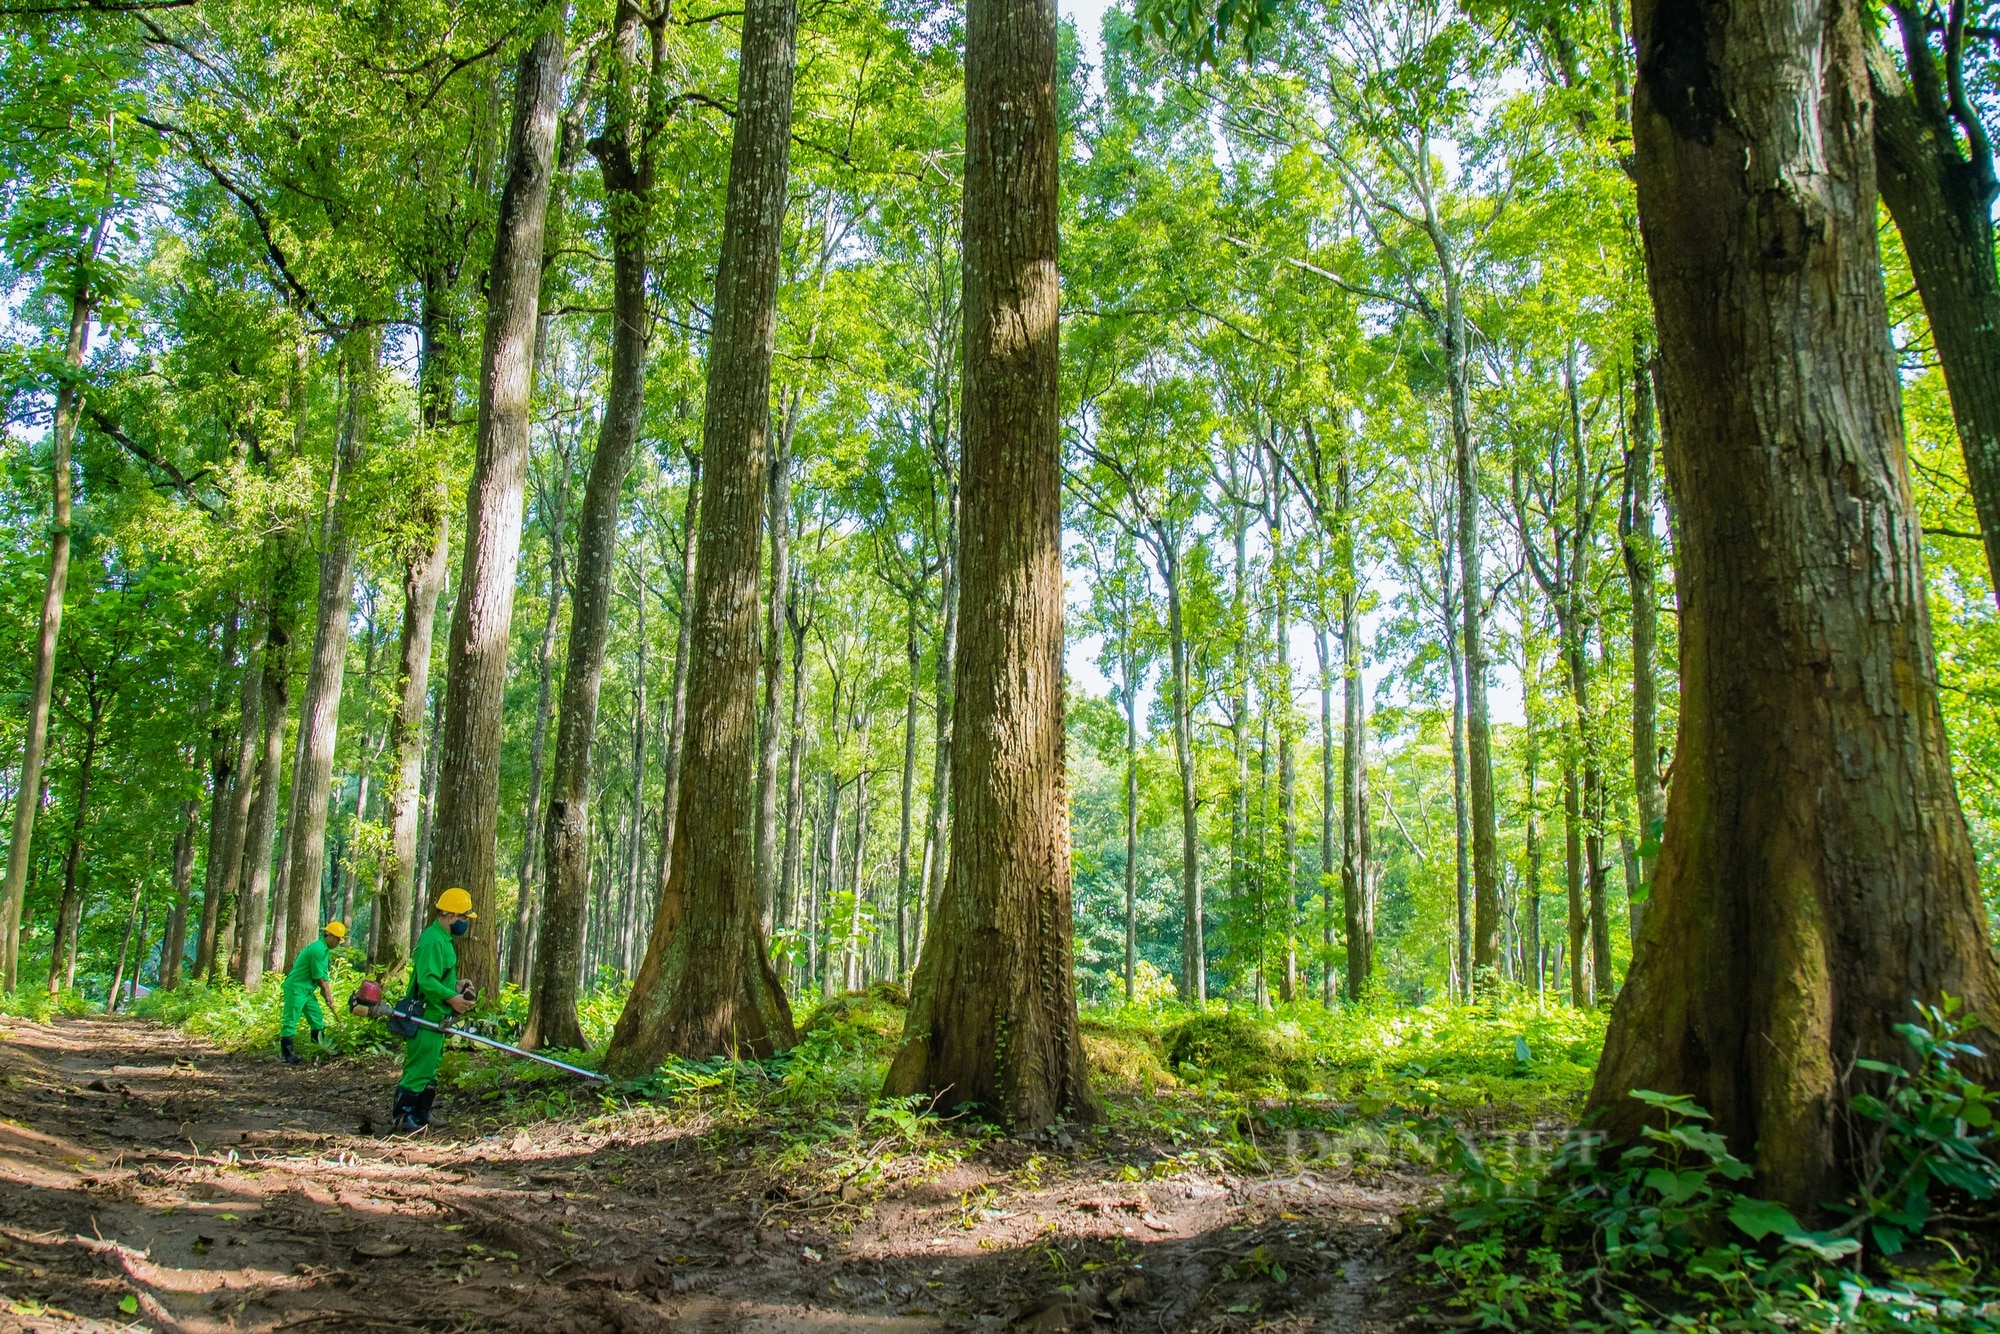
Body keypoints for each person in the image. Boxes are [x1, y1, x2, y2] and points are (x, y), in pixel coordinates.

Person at [392, 887, 477, 1132]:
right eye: (462, 918)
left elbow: (440, 976)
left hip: (438, 1014)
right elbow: (427, 980)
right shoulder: (432, 940)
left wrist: (457, 986)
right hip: (425, 1014)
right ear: (450, 915)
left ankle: (422, 1112)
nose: (464, 923)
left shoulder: (445, 940)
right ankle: (403, 1116)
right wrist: (452, 997)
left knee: (431, 1067)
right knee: (420, 1066)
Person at [280, 920, 344, 1065]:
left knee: (317, 1018)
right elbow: (318, 977)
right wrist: (324, 990)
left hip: (307, 990)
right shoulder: (317, 949)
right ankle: (288, 1055)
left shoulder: (325, 950)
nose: (338, 943)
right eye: (338, 940)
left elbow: (324, 975)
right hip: (296, 988)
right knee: (291, 1019)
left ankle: (317, 1049)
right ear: (331, 936)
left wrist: (328, 994)